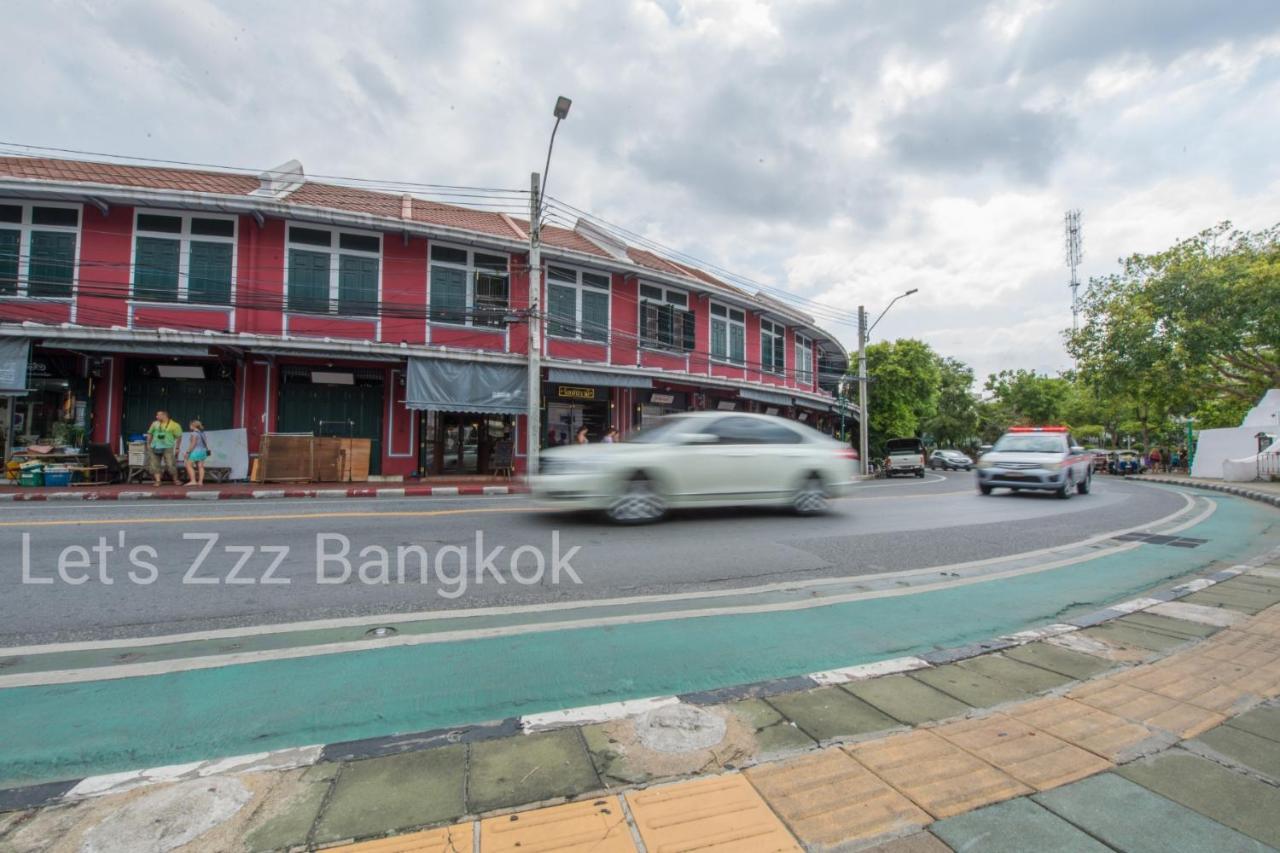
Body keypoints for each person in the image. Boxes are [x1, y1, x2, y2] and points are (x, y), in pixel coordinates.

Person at [145, 410, 183, 486]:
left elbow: (179, 436)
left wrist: (177, 448)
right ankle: (158, 481)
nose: (156, 417)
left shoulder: (174, 425)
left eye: (158, 415)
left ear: (164, 415)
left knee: (171, 464)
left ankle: (176, 480)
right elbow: (150, 433)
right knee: (154, 464)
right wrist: (148, 444)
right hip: (155, 446)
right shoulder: (155, 423)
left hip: (167, 447)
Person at [183, 419, 210, 486]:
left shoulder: (193, 433)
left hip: (195, 451)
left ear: (193, 426)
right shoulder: (202, 433)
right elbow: (205, 443)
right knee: (200, 466)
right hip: (203, 451)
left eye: (190, 425)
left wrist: (188, 452)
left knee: (188, 465)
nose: (189, 426)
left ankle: (193, 481)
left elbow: (193, 444)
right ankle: (200, 482)